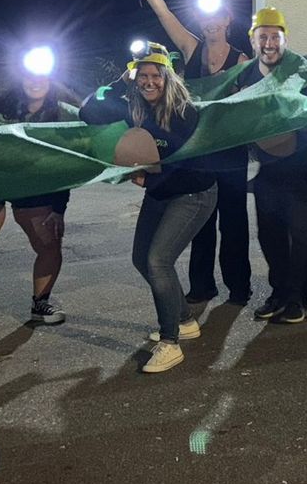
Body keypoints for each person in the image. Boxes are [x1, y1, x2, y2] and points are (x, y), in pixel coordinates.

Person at [79, 43, 217, 373]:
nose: (149, 81)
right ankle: (184, 319)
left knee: (158, 261)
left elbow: (182, 160)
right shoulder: (135, 107)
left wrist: (147, 173)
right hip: (160, 192)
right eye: (143, 75)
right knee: (141, 258)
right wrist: (121, 81)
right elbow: (89, 112)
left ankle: (170, 343)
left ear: (168, 78)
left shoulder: (184, 112)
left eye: (156, 75)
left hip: (193, 193)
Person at [125, 0, 251, 306]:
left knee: (234, 221)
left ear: (227, 20)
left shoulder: (241, 61)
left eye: (217, 17)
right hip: (196, 151)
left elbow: (252, 104)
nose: (211, 23)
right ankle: (202, 286)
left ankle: (239, 288)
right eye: (205, 17)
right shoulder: (191, 49)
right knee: (202, 224)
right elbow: (164, 14)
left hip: (230, 153)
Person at [0, 63, 81, 337]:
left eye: (40, 75)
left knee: (50, 245)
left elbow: (67, 163)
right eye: (28, 74)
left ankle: (40, 304)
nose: (34, 80)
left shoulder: (63, 113)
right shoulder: (1, 105)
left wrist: (59, 208)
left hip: (35, 187)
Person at [235, 7, 307, 325]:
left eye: (275, 37)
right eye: (262, 37)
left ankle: (298, 297)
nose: (269, 43)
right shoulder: (246, 75)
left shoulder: (302, 71)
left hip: (305, 165)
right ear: (253, 41)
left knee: (301, 231)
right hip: (268, 166)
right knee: (269, 233)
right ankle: (279, 292)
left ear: (285, 40)